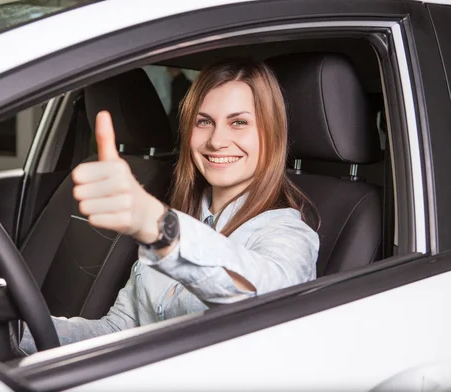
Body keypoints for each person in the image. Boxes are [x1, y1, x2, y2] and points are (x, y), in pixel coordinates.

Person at [20, 60, 320, 353]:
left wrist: (157, 226)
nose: (217, 141)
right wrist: (16, 332)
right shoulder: (182, 218)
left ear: (272, 134)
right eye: (204, 122)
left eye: (238, 122)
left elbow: (263, 300)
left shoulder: (289, 233)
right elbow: (117, 333)